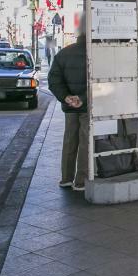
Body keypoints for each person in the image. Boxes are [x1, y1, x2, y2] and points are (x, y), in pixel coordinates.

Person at [48, 30, 88, 191]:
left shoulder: (63, 54)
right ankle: (81, 181)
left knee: (70, 140)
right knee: (85, 141)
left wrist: (66, 97)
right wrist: (82, 98)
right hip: (87, 105)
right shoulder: (96, 54)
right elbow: (99, 82)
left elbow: (53, 81)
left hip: (69, 106)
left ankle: (66, 178)